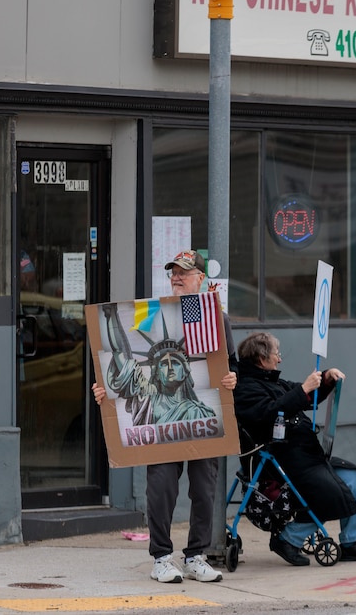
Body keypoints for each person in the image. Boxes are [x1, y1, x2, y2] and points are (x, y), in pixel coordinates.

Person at [92, 249, 237, 584]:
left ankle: (196, 556)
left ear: (200, 279)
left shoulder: (216, 317)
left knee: (204, 489)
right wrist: (104, 390)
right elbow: (117, 354)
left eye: (184, 272)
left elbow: (231, 365)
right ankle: (161, 557)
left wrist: (233, 378)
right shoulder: (148, 313)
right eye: (173, 272)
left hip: (204, 424)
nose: (176, 277)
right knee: (161, 489)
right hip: (160, 429)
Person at [233, 331, 356, 565]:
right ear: (262, 359)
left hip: (305, 455)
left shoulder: (272, 381)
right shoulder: (245, 388)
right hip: (280, 460)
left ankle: (351, 542)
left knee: (352, 478)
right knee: (330, 492)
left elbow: (305, 396)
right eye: (276, 354)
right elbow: (268, 413)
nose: (280, 359)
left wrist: (326, 379)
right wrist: (302, 390)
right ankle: (288, 539)